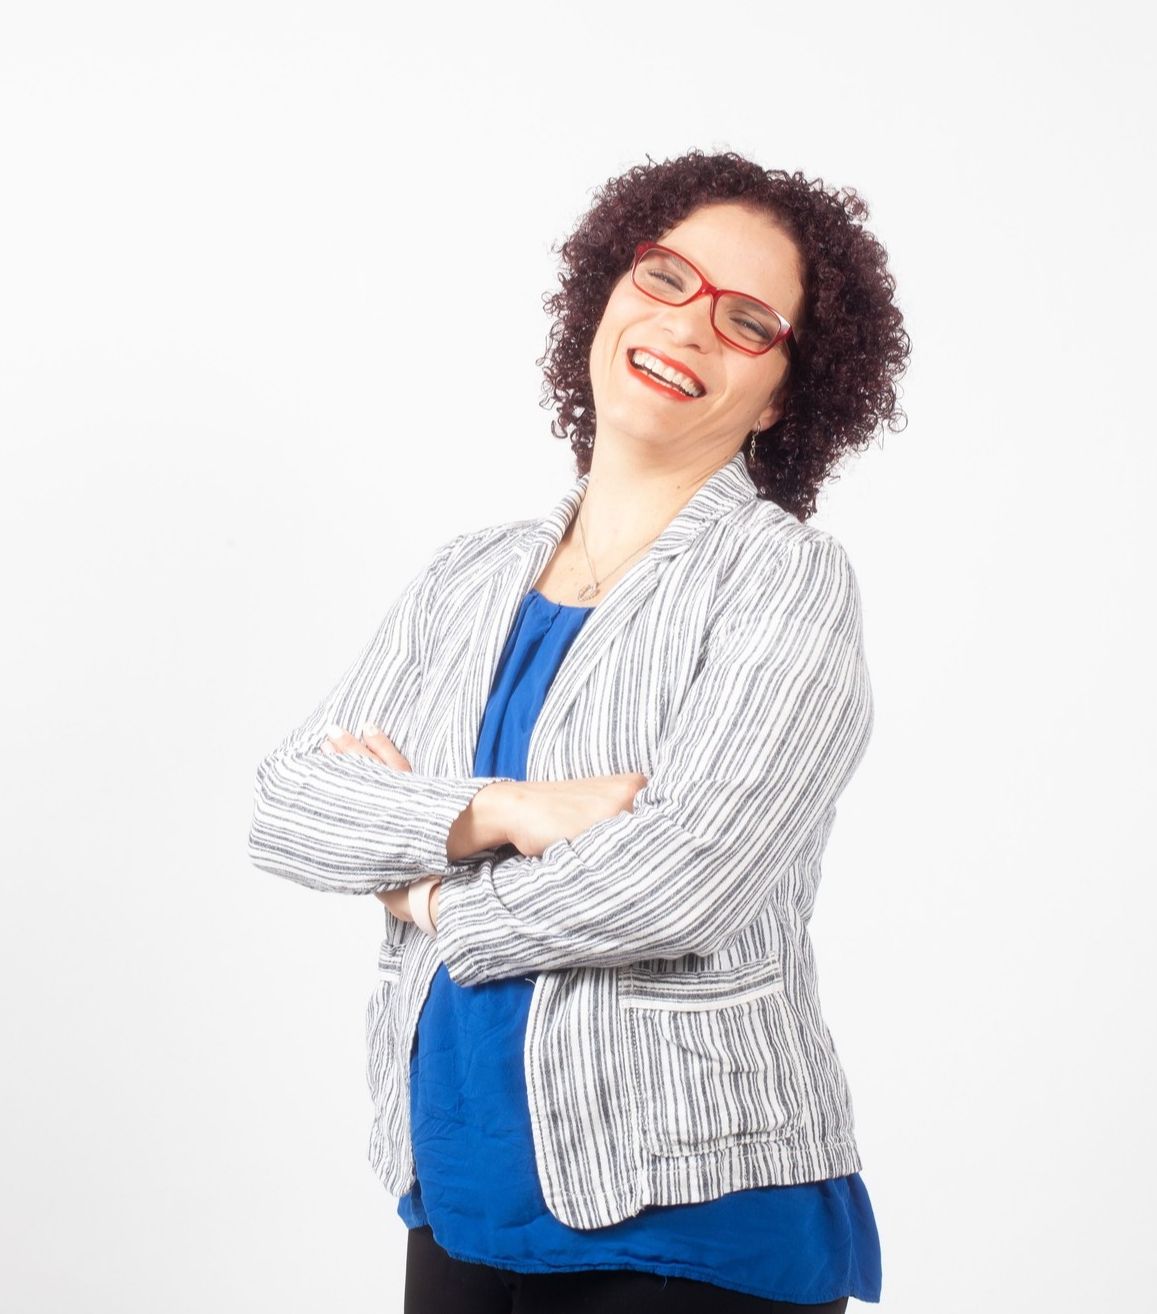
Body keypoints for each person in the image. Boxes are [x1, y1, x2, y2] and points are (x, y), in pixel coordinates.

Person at [248, 148, 910, 1312]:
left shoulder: (784, 582)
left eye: (748, 321)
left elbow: (681, 880)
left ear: (784, 394)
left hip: (692, 1211)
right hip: (461, 1188)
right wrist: (501, 810)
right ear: (609, 289)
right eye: (667, 278)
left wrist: (427, 895)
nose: (690, 326)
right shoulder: (467, 574)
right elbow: (288, 804)